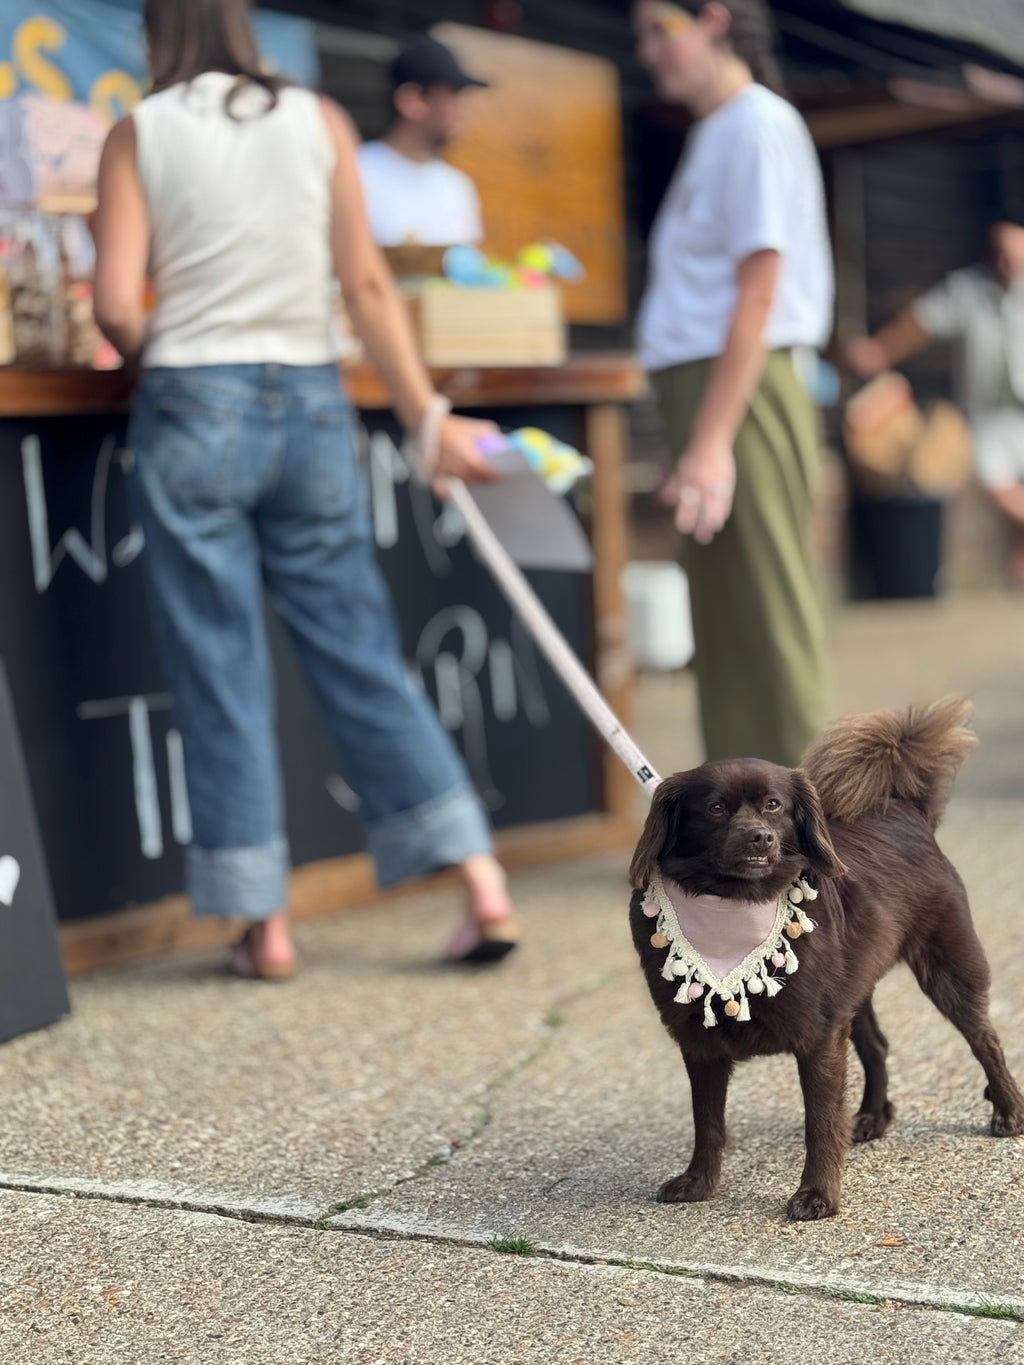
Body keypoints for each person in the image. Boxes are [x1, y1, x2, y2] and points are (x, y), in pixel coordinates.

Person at [91, 0, 520, 978]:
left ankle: (263, 926)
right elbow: (365, 286)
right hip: (310, 401)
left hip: (195, 401)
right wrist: (425, 419)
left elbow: (116, 305)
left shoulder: (139, 132)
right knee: (358, 647)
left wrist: (178, 358)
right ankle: (479, 879)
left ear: (158, 34)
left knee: (219, 661)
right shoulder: (320, 121)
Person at [632, 0, 834, 767]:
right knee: (722, 621)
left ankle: (826, 839)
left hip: (743, 390)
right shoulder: (714, 133)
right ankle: (745, 821)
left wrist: (712, 439)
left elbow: (760, 286)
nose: (651, 52)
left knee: (770, 609)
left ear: (713, 17)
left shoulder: (757, 124)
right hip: (705, 389)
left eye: (662, 30)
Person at [848, 219, 1024, 587]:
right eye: (1005, 256)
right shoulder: (967, 291)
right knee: (996, 484)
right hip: (986, 416)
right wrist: (880, 351)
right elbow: (920, 323)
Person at [357, 34, 487, 249]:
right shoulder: (355, 173)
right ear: (412, 101)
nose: (462, 111)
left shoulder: (457, 186)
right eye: (453, 95)